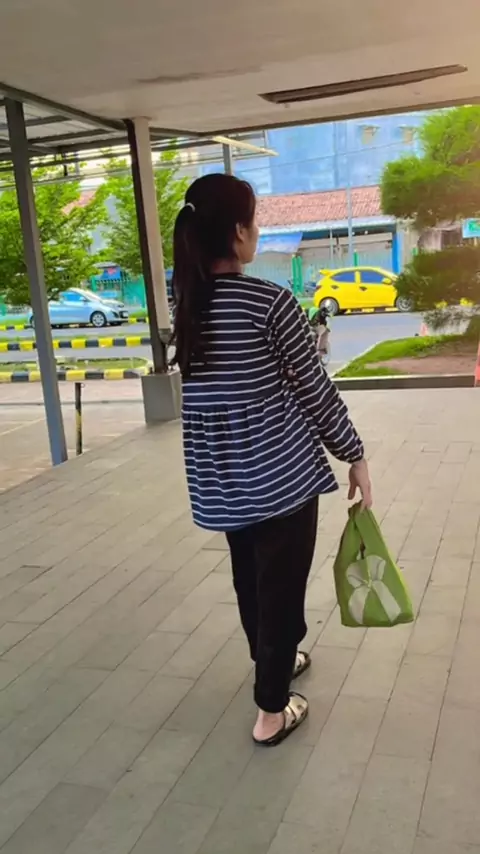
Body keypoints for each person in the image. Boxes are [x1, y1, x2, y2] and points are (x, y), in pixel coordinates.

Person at [171, 173, 372, 747]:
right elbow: (314, 390)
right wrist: (354, 454)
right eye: (255, 221)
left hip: (223, 481)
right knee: (281, 590)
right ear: (238, 231)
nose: (257, 231)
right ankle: (271, 712)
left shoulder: (187, 304)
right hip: (280, 476)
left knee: (252, 582)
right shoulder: (269, 302)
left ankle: (273, 661)